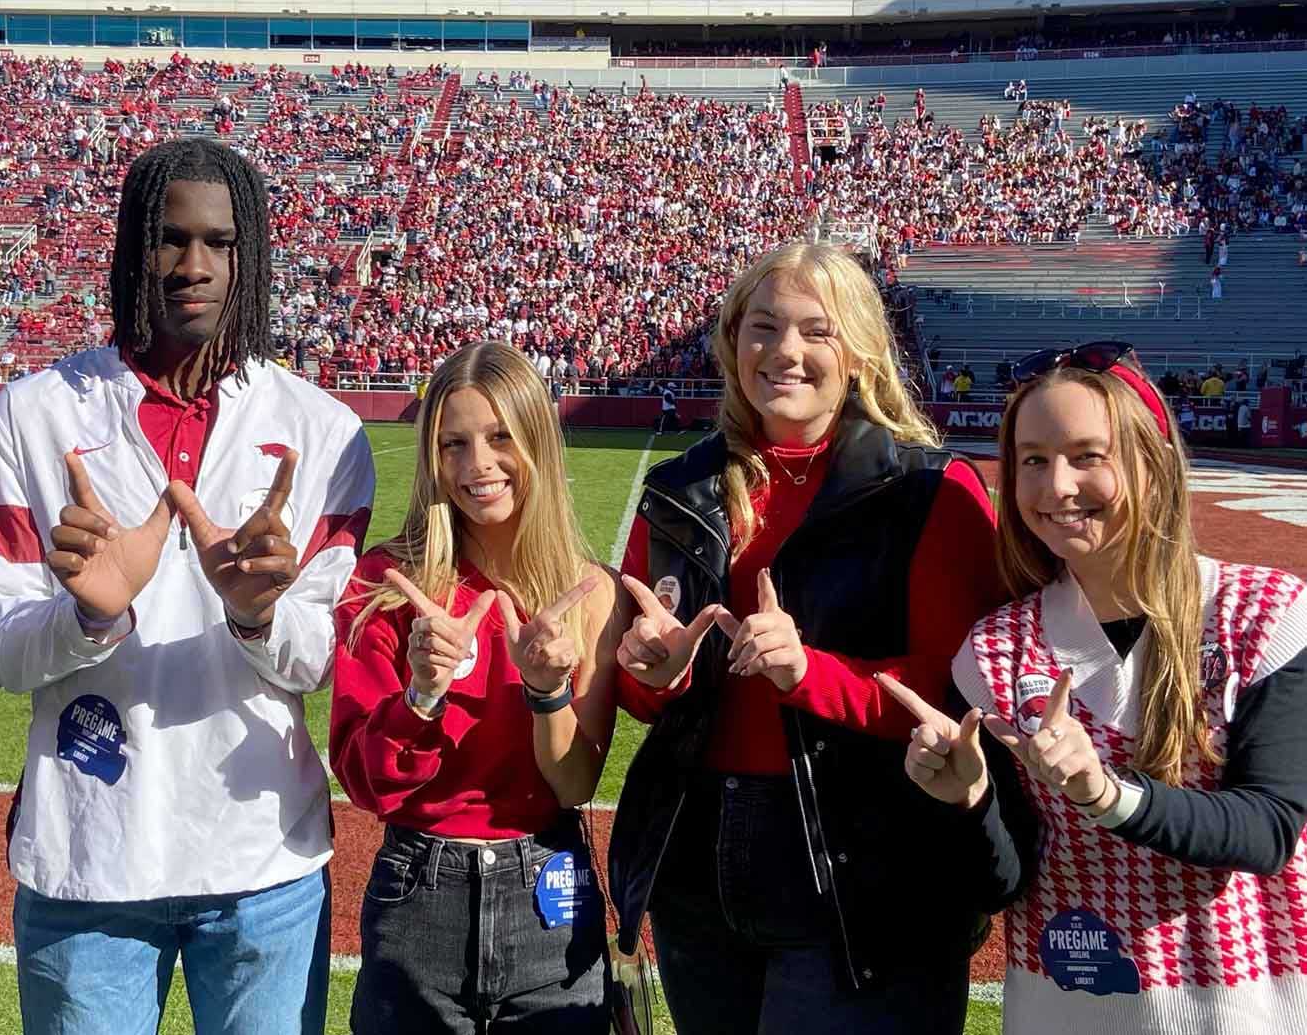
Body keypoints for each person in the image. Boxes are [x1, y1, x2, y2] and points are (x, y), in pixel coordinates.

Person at [0, 138, 376, 1035]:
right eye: (169, 239)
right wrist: (88, 616)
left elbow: (322, 662)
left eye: (220, 243)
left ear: (250, 253)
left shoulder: (324, 432)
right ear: (129, 249)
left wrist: (257, 616)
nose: (194, 266)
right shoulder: (30, 415)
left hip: (264, 859)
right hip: (90, 860)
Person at [606, 242, 1020, 1034]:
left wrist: (807, 674)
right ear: (731, 341)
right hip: (697, 870)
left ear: (859, 349)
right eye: (761, 326)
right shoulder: (678, 491)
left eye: (814, 331)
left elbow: (955, 694)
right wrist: (653, 675)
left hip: (865, 871)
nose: (783, 352)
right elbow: (645, 700)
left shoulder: (930, 489)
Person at [888, 341, 1307, 1033]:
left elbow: (1266, 831)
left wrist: (1104, 793)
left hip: (1247, 1008)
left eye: (1087, 456)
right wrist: (967, 804)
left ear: (1154, 461)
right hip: (1065, 1009)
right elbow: (1005, 880)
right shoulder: (992, 651)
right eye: (1032, 460)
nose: (1055, 488)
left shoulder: (1264, 614)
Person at [331, 340, 625, 1032]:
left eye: (499, 438)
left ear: (538, 445)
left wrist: (547, 691)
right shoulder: (383, 585)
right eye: (452, 444)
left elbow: (574, 784)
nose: (477, 466)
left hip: (549, 893)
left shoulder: (589, 594)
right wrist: (421, 692)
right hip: (417, 897)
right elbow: (370, 786)